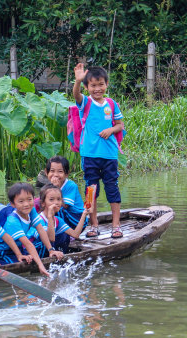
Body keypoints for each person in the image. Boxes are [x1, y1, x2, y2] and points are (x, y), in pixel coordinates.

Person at [73, 64, 125, 238]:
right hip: (90, 155)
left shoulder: (111, 104)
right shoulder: (86, 102)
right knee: (90, 190)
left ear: (106, 84)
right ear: (87, 87)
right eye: (93, 85)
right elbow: (76, 94)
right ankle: (93, 225)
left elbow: (120, 126)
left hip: (109, 155)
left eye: (101, 84)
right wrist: (78, 81)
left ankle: (116, 225)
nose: (97, 89)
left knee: (112, 188)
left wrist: (111, 130)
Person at [0, 183, 50, 276]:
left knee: (42, 245)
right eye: (21, 201)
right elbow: (28, 244)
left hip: (19, 247)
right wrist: (40, 265)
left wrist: (50, 249)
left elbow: (41, 229)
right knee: (15, 263)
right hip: (5, 250)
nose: (26, 204)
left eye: (29, 199)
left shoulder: (31, 210)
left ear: (34, 199)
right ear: (13, 204)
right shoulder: (12, 220)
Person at [37, 184, 89, 254]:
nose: (56, 203)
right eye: (51, 200)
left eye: (58, 199)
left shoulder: (57, 220)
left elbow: (75, 234)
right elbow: (51, 239)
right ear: (43, 203)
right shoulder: (38, 220)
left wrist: (84, 215)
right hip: (35, 253)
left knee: (64, 236)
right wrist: (50, 216)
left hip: (47, 251)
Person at [44, 156, 88, 230]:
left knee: (56, 208)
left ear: (67, 174)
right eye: (52, 171)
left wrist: (56, 188)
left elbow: (65, 206)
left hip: (77, 219)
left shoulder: (71, 185)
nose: (55, 174)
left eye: (60, 171)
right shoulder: (47, 187)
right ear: (46, 172)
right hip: (64, 218)